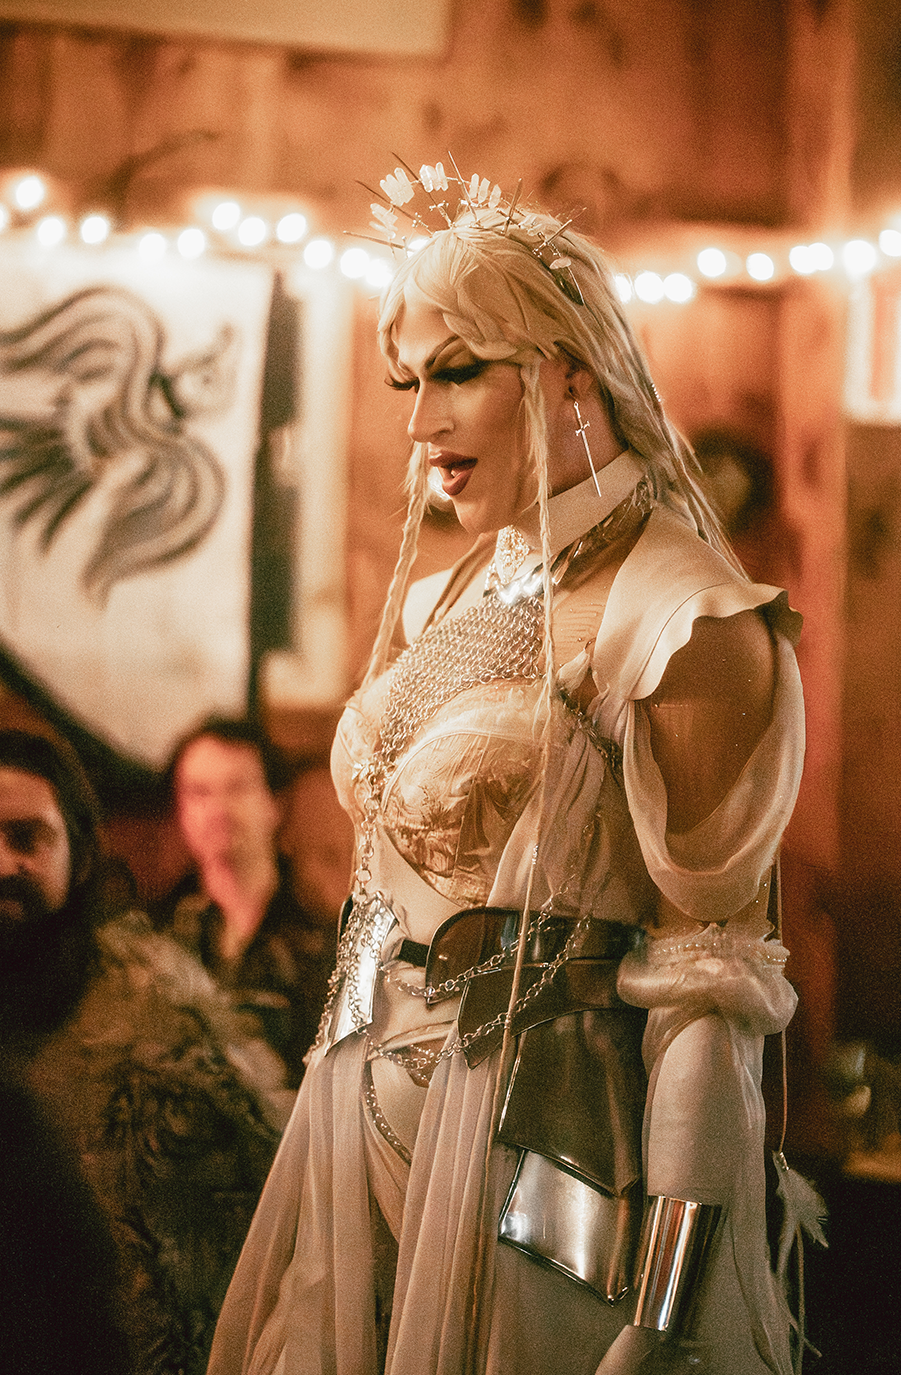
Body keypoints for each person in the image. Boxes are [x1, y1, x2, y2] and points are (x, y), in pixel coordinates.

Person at [209, 164, 806, 1375]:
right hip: (353, 1138)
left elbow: (708, 995)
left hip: (537, 1181)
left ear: (567, 372)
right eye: (406, 382)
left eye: (456, 372)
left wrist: (662, 1314)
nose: (419, 422)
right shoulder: (458, 582)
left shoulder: (683, 619)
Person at [0, 728, 284, 1375]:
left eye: (27, 838)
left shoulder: (156, 1032)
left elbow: (222, 1286)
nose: (2, 862)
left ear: (78, 850)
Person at [159, 718, 340, 1087]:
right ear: (180, 809)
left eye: (238, 788)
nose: (218, 809)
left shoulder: (328, 940)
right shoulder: (157, 935)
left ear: (275, 803)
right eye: (199, 792)